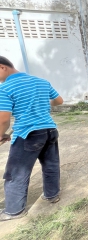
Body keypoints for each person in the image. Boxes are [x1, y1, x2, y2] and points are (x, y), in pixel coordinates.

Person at [0, 56, 63, 221]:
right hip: (50, 130)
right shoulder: (41, 81)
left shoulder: (5, 88)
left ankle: (14, 210)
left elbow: (4, 119)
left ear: (2, 68)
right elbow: (59, 101)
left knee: (16, 172)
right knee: (51, 165)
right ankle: (52, 195)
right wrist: (41, 108)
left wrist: (1, 135)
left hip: (28, 134)